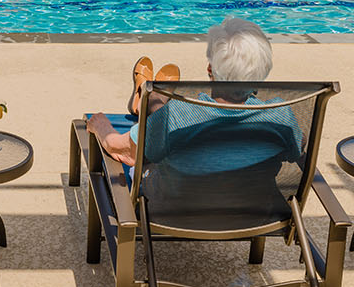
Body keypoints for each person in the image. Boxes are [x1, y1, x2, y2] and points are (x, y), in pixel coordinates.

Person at [85, 18, 303, 172]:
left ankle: (149, 95)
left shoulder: (179, 117)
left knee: (162, 117)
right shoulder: (281, 117)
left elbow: (121, 150)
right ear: (263, 73)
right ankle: (150, 98)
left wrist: (99, 125)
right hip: (256, 212)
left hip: (170, 209)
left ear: (210, 69)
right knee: (163, 117)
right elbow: (298, 148)